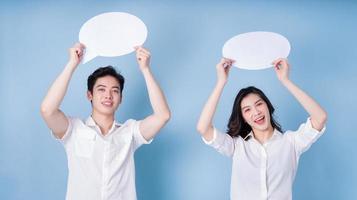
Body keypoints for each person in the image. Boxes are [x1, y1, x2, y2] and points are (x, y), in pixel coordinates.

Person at [40, 43, 171, 200]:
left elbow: (163, 116)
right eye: (101, 89)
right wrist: (72, 64)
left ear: (120, 98)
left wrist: (145, 69)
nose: (108, 95)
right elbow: (47, 110)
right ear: (90, 95)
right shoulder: (73, 130)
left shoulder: (130, 132)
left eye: (114, 91)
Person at [196, 58, 327, 200]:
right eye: (247, 110)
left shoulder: (291, 143)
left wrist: (285, 81)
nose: (256, 112)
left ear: (268, 106)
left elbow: (320, 117)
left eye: (259, 104)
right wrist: (221, 82)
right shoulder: (237, 145)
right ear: (243, 118)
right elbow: (203, 127)